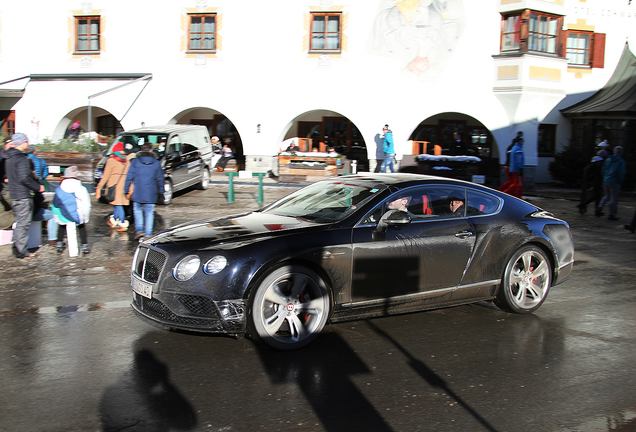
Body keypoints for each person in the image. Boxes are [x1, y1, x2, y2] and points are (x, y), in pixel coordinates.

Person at [4, 133, 45, 259]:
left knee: (19, 223)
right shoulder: (21, 158)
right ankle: (21, 252)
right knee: (23, 224)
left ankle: (17, 248)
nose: (28, 144)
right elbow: (24, 178)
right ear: (21, 142)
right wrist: (38, 187)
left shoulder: (9, 157)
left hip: (15, 194)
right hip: (23, 195)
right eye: (26, 141)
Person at [125, 143, 165, 241]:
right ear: (151, 150)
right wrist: (161, 191)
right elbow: (160, 179)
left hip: (138, 191)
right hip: (151, 192)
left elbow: (129, 177)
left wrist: (125, 189)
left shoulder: (135, 162)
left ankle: (139, 231)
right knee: (149, 212)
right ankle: (148, 233)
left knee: (137, 210)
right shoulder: (156, 163)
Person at [51, 166, 91, 255]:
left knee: (61, 225)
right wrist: (85, 217)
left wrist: (57, 217)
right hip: (77, 215)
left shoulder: (58, 189)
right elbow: (86, 205)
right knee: (81, 226)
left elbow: (55, 204)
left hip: (63, 215)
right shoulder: (81, 188)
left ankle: (59, 243)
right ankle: (84, 245)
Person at [95, 142, 131, 231]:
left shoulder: (111, 161)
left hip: (114, 186)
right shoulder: (127, 161)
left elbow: (106, 175)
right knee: (118, 204)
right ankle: (114, 220)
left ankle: (122, 223)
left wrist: (99, 187)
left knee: (118, 205)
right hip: (125, 185)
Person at [596, 146, 626, 220]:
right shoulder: (621, 162)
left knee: (606, 196)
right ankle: (611, 214)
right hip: (615, 181)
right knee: (613, 198)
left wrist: (605, 177)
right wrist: (620, 181)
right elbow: (621, 173)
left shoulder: (608, 160)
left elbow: (603, 170)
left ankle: (599, 208)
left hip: (606, 180)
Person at [500, 132, 524, 198]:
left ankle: (501, 191)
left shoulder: (512, 148)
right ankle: (504, 193)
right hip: (512, 167)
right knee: (516, 183)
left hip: (510, 167)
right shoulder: (516, 148)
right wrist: (520, 168)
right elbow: (517, 159)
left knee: (512, 182)